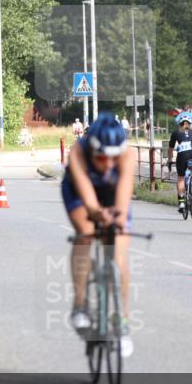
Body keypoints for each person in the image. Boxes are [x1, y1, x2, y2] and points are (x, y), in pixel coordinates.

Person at [61, 112, 136, 357]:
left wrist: (117, 220)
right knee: (86, 232)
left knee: (119, 251)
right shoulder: (78, 154)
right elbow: (90, 202)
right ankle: (80, 305)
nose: (109, 164)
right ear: (93, 150)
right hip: (80, 192)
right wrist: (97, 214)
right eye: (103, 157)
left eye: (114, 157)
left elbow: (123, 203)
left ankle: (122, 322)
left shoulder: (128, 155)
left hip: (111, 193)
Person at [167, 111, 192, 214]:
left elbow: (170, 149)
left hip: (183, 155)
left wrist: (169, 160)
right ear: (191, 123)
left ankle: (182, 202)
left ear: (179, 123)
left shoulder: (176, 133)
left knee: (181, 177)